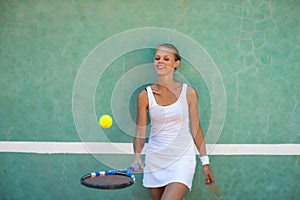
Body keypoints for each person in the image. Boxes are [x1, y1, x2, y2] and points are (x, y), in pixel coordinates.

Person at [131, 43, 214, 200]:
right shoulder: (145, 95)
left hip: (182, 158)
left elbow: (196, 129)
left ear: (176, 63)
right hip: (155, 159)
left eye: (166, 59)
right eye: (157, 58)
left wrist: (205, 162)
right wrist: (136, 156)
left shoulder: (189, 93)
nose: (160, 61)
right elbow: (140, 133)